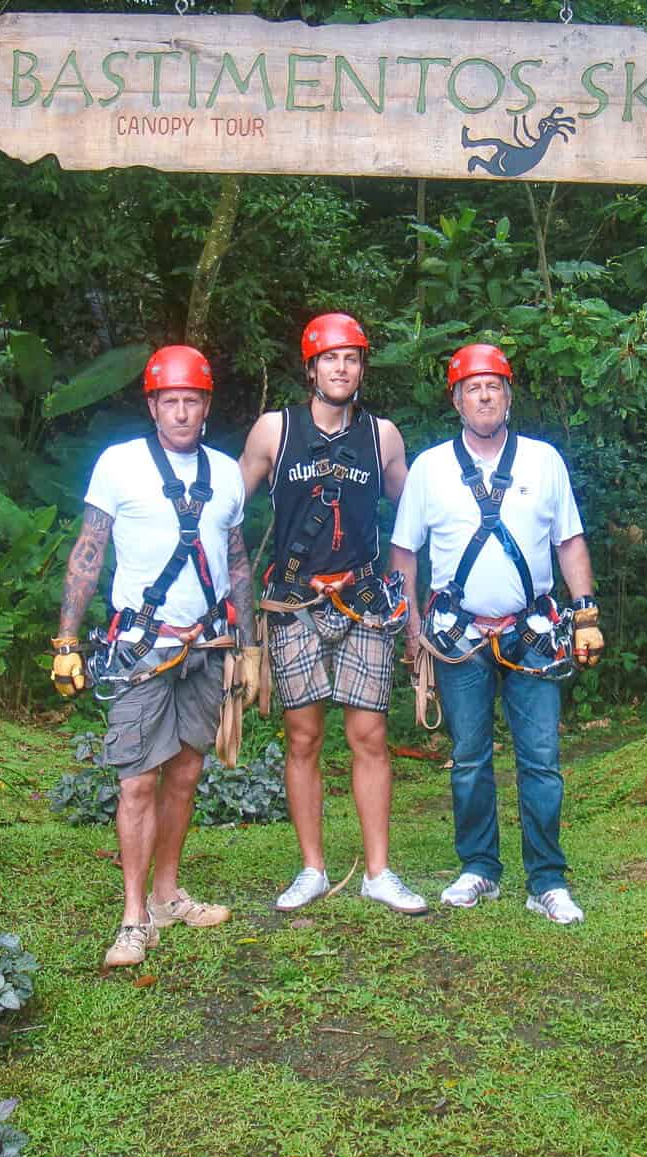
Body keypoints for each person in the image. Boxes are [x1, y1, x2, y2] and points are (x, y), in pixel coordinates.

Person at [52, 344, 261, 967]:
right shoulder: (118, 466)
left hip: (207, 643)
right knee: (138, 779)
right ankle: (134, 915)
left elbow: (238, 560)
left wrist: (248, 646)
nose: (180, 412)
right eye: (169, 401)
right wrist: (67, 639)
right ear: (152, 405)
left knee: (187, 772)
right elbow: (89, 551)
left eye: (191, 401)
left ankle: (169, 894)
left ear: (205, 406)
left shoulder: (225, 473)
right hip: (141, 647)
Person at [390, 343, 605, 925]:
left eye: (494, 387)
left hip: (530, 632)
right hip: (456, 636)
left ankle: (547, 880)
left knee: (540, 757)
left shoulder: (544, 462)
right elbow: (405, 554)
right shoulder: (431, 469)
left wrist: (584, 615)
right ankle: (478, 868)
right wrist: (410, 627)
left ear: (508, 396)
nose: (484, 397)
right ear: (456, 401)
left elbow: (569, 541)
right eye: (472, 389)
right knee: (468, 758)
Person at [238, 313, 427, 915]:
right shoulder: (275, 431)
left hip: (364, 597)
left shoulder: (383, 437)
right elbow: (224, 510)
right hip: (294, 600)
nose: (341, 369)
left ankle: (378, 871)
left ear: (362, 369)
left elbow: (419, 510)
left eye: (352, 359)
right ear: (312, 367)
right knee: (303, 734)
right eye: (330, 359)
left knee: (369, 734)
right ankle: (312, 868)